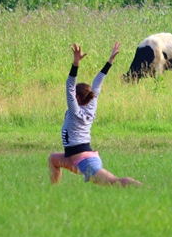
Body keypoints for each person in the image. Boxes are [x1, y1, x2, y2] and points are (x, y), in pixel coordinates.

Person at [48, 42, 142, 187]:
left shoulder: (75, 112)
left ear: (77, 98)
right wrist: (109, 62)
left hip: (85, 161)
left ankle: (145, 189)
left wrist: (76, 63)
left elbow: (69, 86)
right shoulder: (91, 105)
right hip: (76, 158)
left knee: (114, 182)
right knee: (53, 159)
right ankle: (53, 192)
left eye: (74, 96)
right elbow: (97, 82)